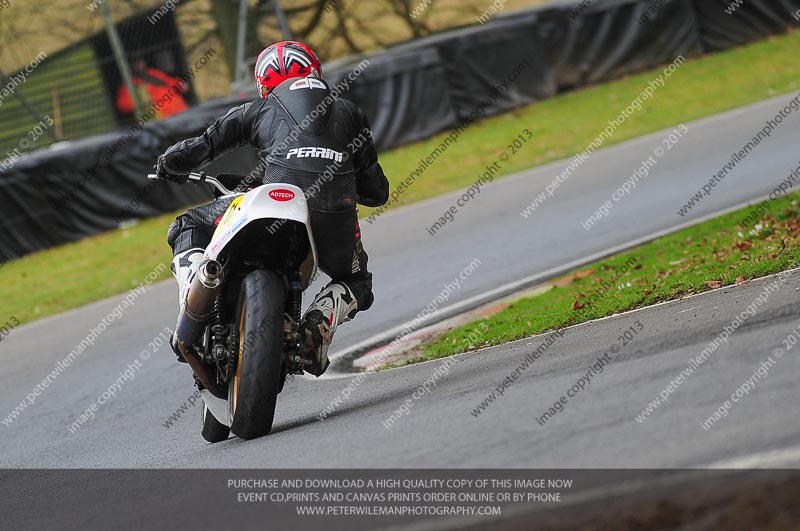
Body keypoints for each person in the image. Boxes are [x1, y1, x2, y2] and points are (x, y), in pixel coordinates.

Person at [156, 41, 388, 376]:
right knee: (356, 280)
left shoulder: (258, 109)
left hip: (275, 203)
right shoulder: (350, 112)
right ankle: (318, 321)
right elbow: (377, 191)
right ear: (316, 71)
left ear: (264, 85)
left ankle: (198, 284)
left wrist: (168, 162)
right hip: (332, 213)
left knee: (186, 224)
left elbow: (205, 145)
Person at [117, 59, 189, 118]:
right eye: (135, 63)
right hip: (162, 117)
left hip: (180, 108)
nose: (139, 64)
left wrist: (180, 84)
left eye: (140, 61)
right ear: (130, 66)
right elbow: (123, 105)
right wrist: (142, 101)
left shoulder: (153, 72)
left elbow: (169, 81)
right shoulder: (129, 85)